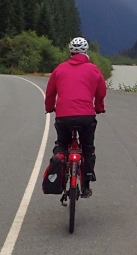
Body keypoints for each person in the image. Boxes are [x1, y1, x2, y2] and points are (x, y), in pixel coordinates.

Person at [45, 37, 106, 198]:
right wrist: (99, 107)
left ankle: (58, 159)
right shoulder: (93, 69)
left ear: (71, 52)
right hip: (86, 116)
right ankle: (86, 184)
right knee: (87, 149)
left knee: (62, 144)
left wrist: (49, 107)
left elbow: (50, 92)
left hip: (63, 116)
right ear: (86, 52)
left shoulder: (59, 69)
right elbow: (101, 92)